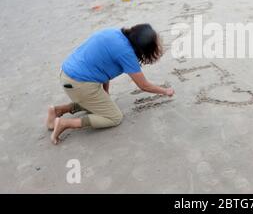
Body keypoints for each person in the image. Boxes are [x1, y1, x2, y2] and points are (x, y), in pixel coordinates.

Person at [47, 24, 175, 144]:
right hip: (79, 83)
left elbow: (103, 67)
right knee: (114, 117)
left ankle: (58, 110)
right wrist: (165, 91)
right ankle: (65, 123)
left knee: (100, 102)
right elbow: (144, 85)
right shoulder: (127, 54)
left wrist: (105, 92)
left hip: (67, 75)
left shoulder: (114, 33)